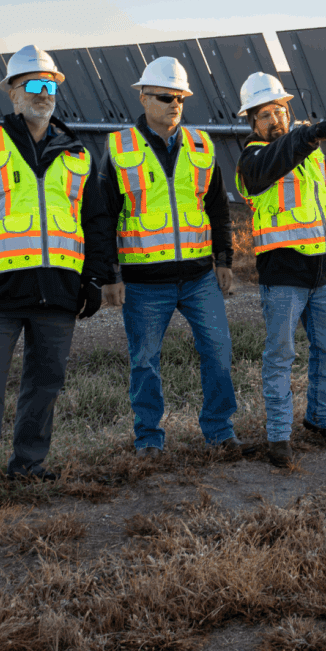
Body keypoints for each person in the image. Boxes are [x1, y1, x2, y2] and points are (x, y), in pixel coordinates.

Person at [0, 45, 115, 518]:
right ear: (12, 93)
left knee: (45, 382)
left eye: (51, 84)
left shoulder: (77, 152)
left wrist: (95, 277)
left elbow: (95, 220)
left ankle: (28, 464)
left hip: (58, 291)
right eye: (33, 84)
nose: (44, 93)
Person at [100, 56, 250, 458]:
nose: (174, 104)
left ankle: (220, 430)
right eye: (166, 97)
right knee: (145, 363)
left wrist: (223, 260)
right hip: (145, 283)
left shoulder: (202, 146)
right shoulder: (119, 148)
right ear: (144, 97)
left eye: (180, 97)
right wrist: (109, 274)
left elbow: (218, 208)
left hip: (200, 277)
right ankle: (149, 438)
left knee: (218, 351)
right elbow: (103, 216)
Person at [234, 72, 326, 468]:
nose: (275, 119)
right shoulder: (252, 161)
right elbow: (277, 159)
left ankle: (321, 420)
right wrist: (308, 135)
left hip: (324, 270)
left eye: (280, 110)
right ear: (252, 122)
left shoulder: (310, 152)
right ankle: (279, 437)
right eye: (265, 114)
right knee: (281, 356)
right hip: (284, 274)